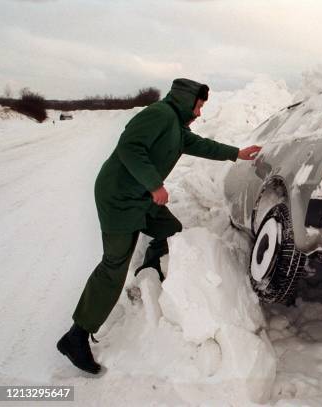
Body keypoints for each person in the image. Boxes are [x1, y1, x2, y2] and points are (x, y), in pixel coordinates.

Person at [57, 78, 261, 374]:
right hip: (119, 197)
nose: (200, 112)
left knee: (172, 232)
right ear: (186, 99)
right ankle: (76, 336)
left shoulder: (176, 127)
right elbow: (130, 147)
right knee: (114, 265)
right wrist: (154, 185)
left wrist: (237, 153)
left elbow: (200, 145)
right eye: (199, 105)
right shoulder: (159, 114)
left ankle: (149, 273)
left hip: (140, 196)